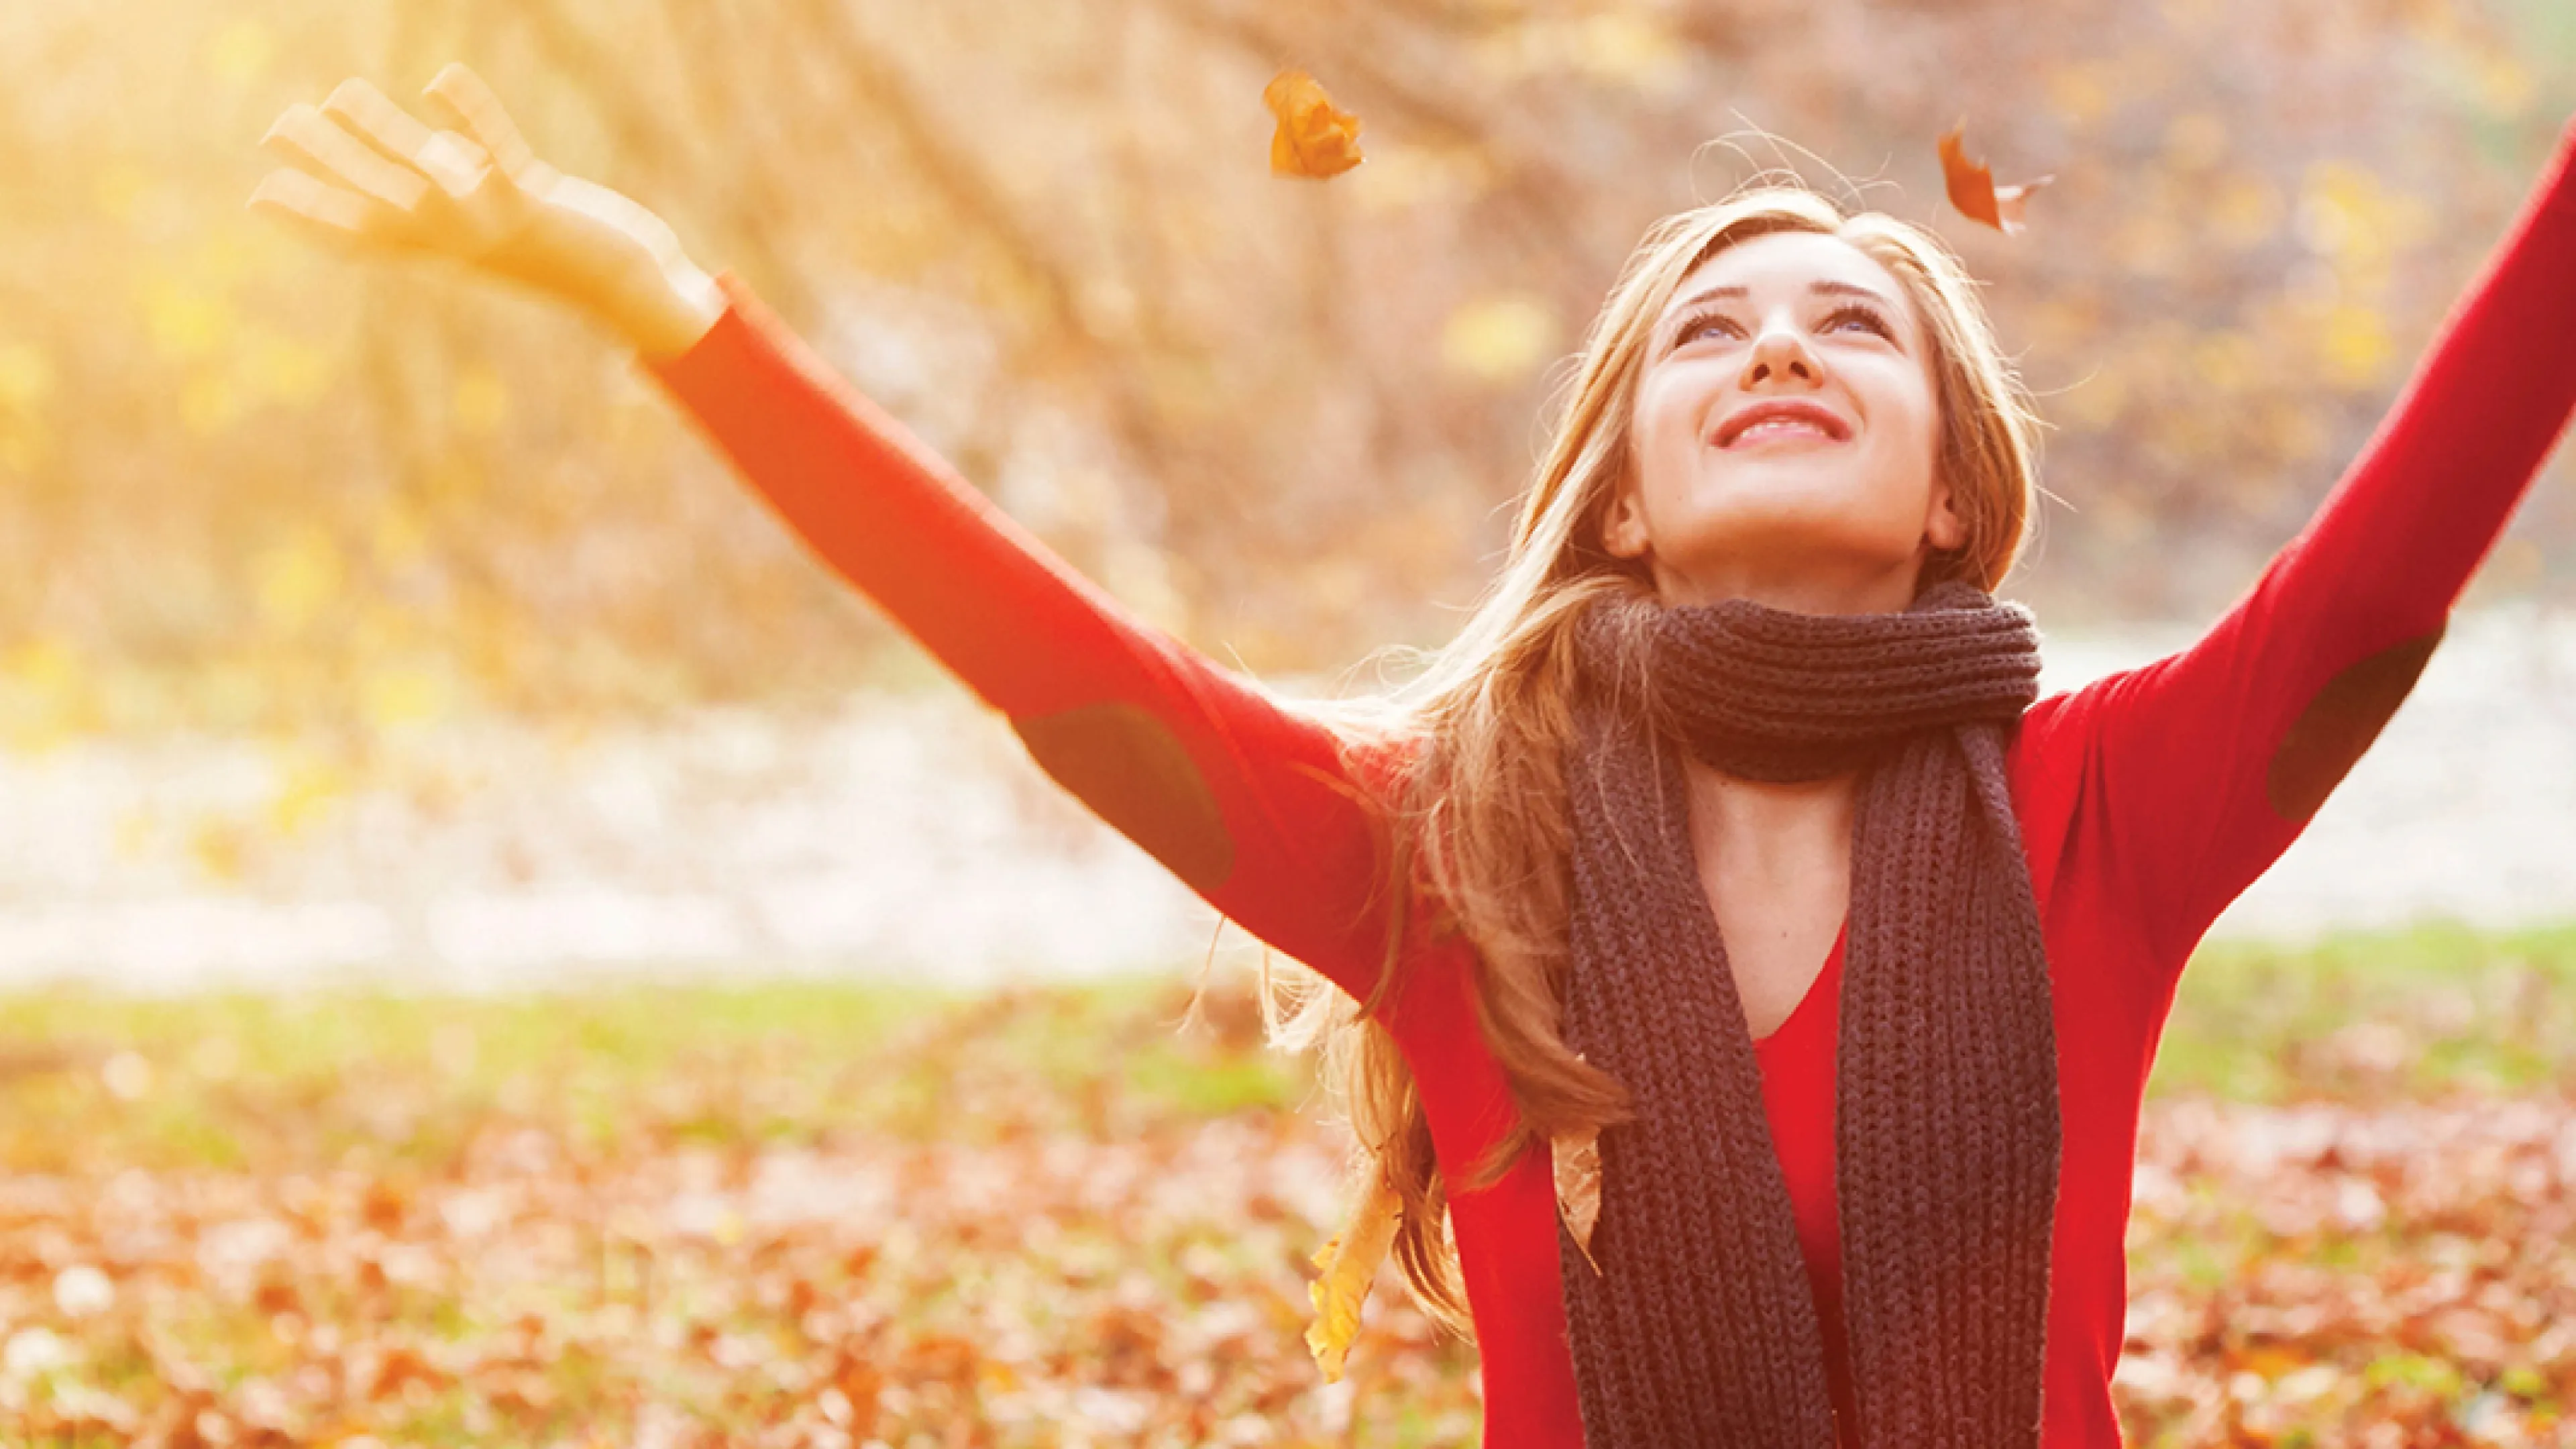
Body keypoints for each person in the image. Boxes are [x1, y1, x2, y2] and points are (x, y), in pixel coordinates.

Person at [252, 65, 2576, 1448]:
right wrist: (666, 306)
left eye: (1854, 325)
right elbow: (1058, 669)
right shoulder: (1447, 853)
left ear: (1954, 492)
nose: (1779, 347)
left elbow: (2397, 554)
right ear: (1625, 496)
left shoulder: (2109, 814)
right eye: (1709, 335)